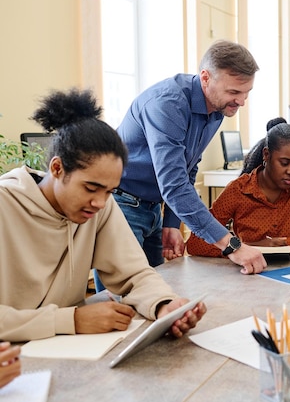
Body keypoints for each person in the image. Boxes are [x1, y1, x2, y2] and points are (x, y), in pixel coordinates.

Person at [0, 89, 205, 342]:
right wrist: (70, 319)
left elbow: (134, 274)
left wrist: (165, 305)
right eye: (90, 187)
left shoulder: (99, 208)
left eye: (110, 191)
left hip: (66, 350)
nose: (99, 202)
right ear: (56, 168)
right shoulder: (5, 205)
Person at [105, 39, 265, 289]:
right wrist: (231, 245)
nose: (241, 101)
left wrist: (171, 222)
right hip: (119, 205)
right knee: (121, 301)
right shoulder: (167, 104)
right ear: (205, 78)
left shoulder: (218, 107)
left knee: (155, 294)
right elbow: (175, 184)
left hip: (152, 209)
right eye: (234, 92)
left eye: (246, 93)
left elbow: (188, 168)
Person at [186, 119, 290, 256]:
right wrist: (245, 248)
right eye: (284, 163)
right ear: (266, 155)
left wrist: (284, 244)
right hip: (247, 273)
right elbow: (195, 244)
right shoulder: (238, 189)